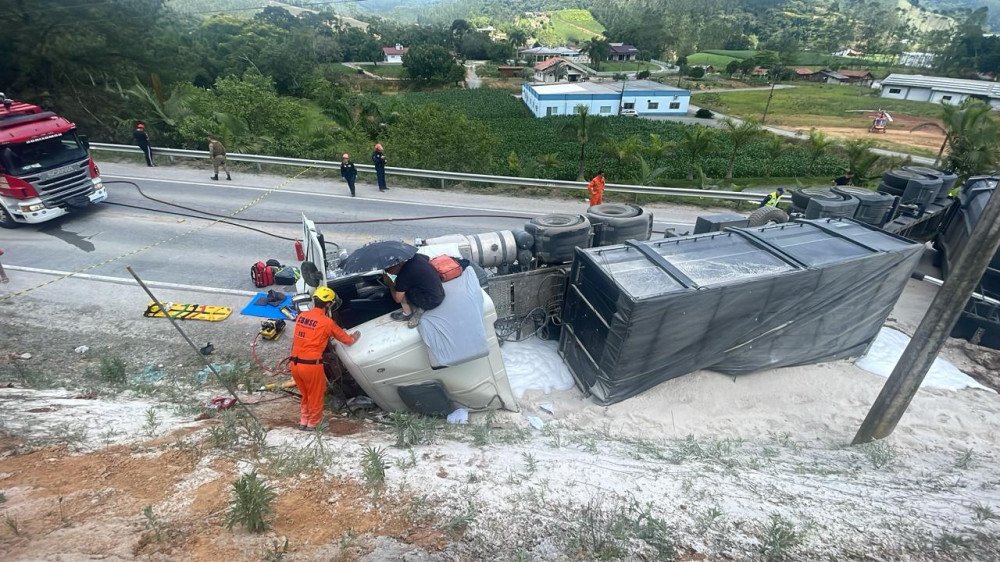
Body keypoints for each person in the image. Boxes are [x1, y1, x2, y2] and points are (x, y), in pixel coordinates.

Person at [288, 287, 359, 430]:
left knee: (306, 395)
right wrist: (354, 336)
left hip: (294, 364)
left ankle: (304, 421)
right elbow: (346, 340)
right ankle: (314, 424)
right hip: (311, 366)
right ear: (328, 304)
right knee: (315, 395)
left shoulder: (302, 316)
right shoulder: (327, 322)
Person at [385, 253, 445, 328]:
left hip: (431, 301)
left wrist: (391, 285)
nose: (387, 272)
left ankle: (407, 313)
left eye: (388, 269)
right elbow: (427, 257)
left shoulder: (403, 276)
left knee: (400, 290)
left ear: (396, 265)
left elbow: (398, 299)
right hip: (439, 291)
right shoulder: (415, 256)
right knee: (407, 284)